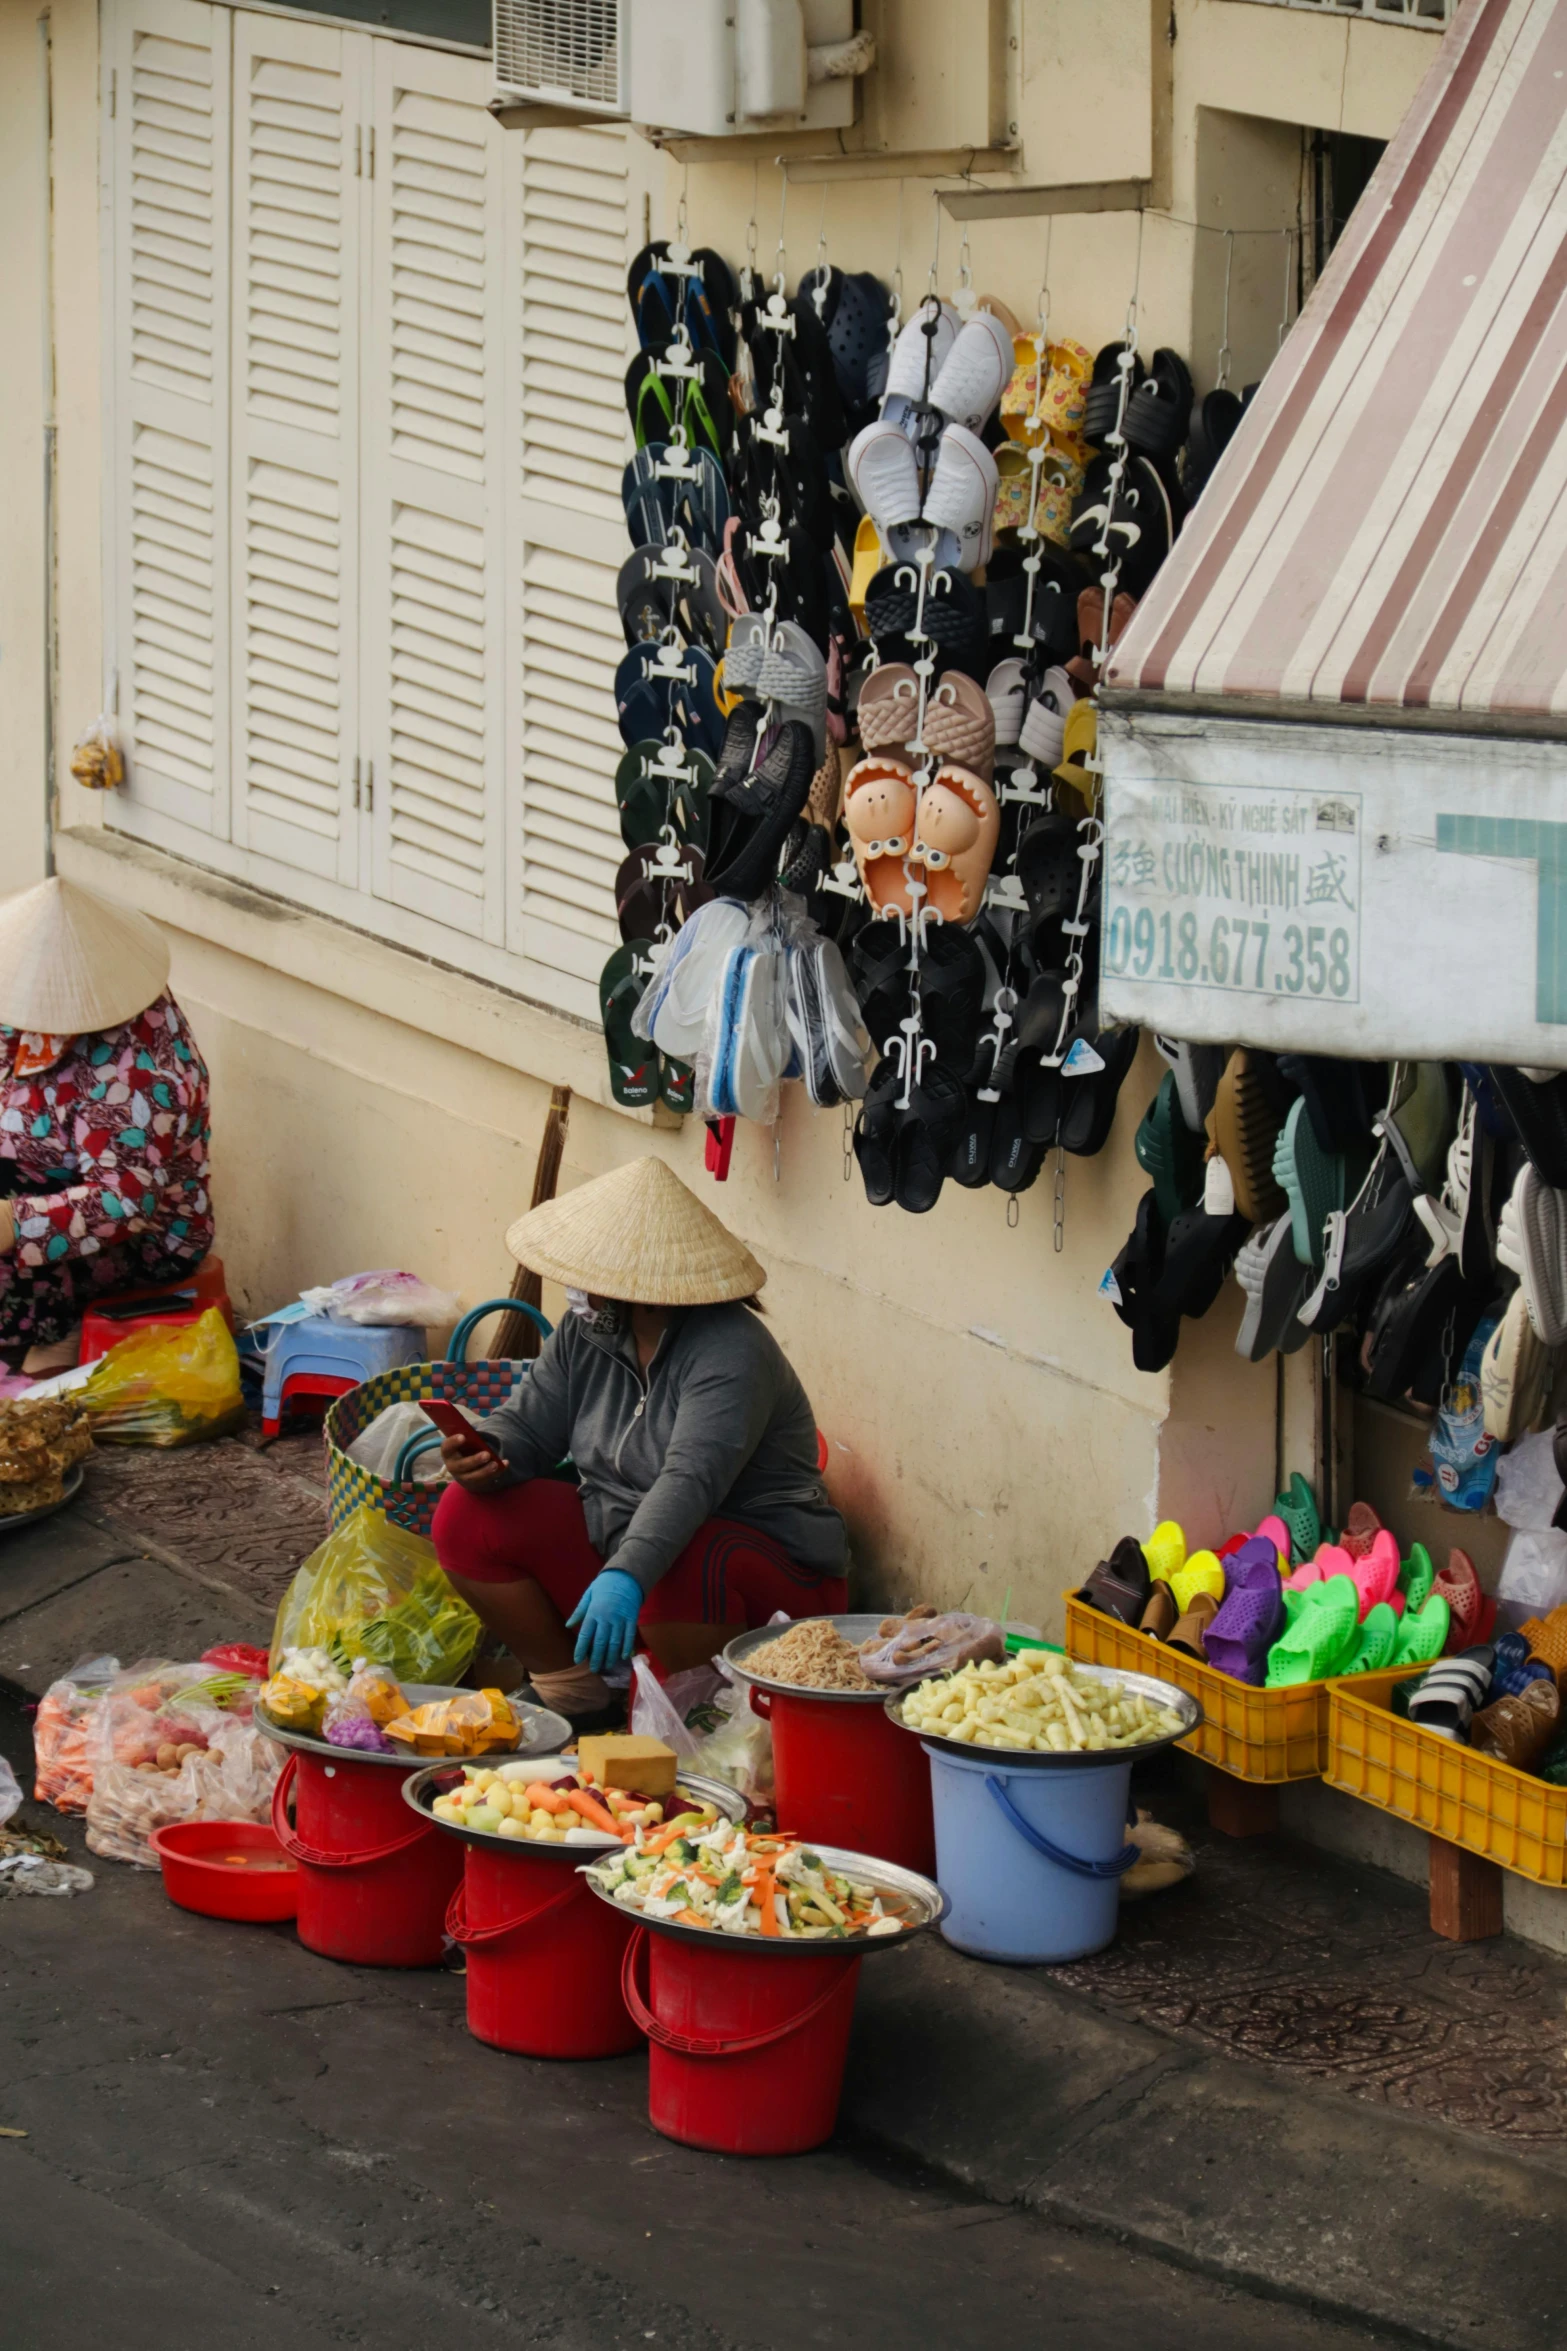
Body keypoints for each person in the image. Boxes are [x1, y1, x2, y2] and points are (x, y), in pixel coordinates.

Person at [432, 1155, 848, 1724]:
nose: (577, 1293)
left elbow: (689, 1483)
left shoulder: (731, 1351)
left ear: (644, 1289)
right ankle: (575, 1694)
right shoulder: (590, 1331)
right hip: (628, 1544)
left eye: (591, 1282)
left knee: (674, 1553)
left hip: (758, 1574)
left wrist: (627, 1575)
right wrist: (489, 1450)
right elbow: (530, 1423)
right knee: (467, 1515)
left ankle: (705, 1719)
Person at [0, 877, 213, 1370]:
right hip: (35, 1175)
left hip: (139, 1242)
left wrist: (13, 1223)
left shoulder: (138, 1071)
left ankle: (59, 1328)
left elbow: (124, 1202)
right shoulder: (18, 1014)